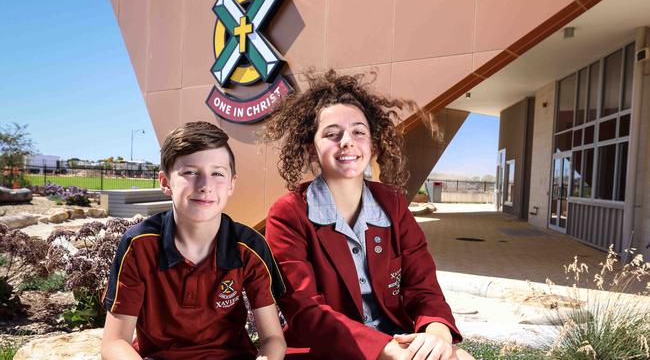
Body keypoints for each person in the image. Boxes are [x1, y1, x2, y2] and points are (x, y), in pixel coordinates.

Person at [263, 71, 474, 360]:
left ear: (373, 144)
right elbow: (303, 310)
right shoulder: (289, 213)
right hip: (327, 348)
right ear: (312, 150)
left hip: (394, 337)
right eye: (331, 134)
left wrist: (437, 331)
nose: (346, 141)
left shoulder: (393, 205)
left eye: (358, 132)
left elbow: (422, 287)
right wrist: (386, 351)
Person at [101, 121, 286, 360]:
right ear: (165, 182)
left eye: (217, 173)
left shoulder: (249, 247)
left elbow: (273, 339)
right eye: (190, 172)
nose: (205, 186)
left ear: (231, 184)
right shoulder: (138, 244)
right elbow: (114, 343)